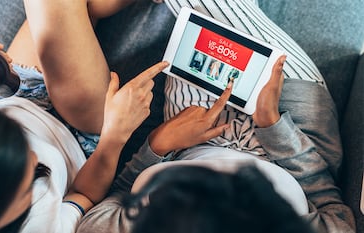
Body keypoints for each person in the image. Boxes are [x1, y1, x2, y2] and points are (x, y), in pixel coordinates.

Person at [76, 1, 356, 233]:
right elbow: (332, 208)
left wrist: (159, 144)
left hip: (189, 135)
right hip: (289, 130)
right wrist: (272, 125)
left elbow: (115, 198)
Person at [0, 0, 169, 233]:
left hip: (15, 95)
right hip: (77, 132)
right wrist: (115, 136)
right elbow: (83, 194)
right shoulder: (42, 226)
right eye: (28, 187)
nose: (35, 159)